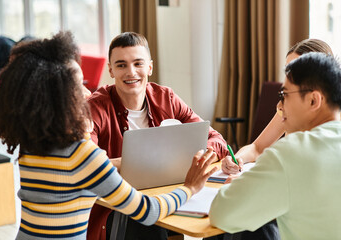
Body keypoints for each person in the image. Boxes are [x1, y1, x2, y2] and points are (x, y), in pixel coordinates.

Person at [0, 31, 218, 240]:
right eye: (78, 84)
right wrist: (191, 187)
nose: (87, 91)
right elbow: (147, 211)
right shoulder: (81, 154)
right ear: (59, 95)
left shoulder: (32, 145)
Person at [87, 32, 229, 239]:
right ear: (110, 70)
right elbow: (87, 165)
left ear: (150, 67)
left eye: (138, 63)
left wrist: (198, 157)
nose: (131, 72)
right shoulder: (95, 108)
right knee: (147, 222)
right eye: (121, 65)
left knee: (221, 214)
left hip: (170, 194)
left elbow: (217, 141)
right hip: (119, 207)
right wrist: (138, 161)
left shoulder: (166, 98)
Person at [209, 52, 341, 239]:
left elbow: (221, 214)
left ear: (313, 100)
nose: (280, 105)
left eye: (284, 95)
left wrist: (236, 186)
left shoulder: (291, 154)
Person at [221, 39, 334, 175]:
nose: (288, 79)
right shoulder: (288, 108)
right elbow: (257, 147)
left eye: (296, 73)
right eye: (287, 71)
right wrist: (238, 158)